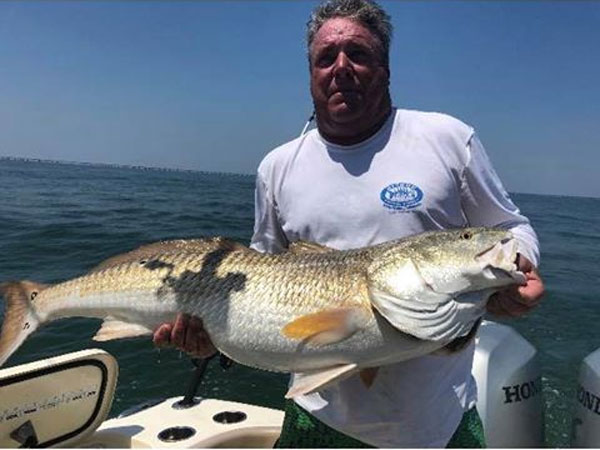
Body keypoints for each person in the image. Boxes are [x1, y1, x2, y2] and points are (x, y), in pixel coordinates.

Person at [153, 0, 545, 447]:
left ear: (386, 67)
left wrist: (520, 268)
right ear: (311, 74)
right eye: (326, 58)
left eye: (358, 54)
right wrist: (215, 336)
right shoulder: (277, 167)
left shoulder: (448, 140)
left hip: (438, 424)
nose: (341, 67)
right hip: (315, 418)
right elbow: (259, 277)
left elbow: (512, 229)